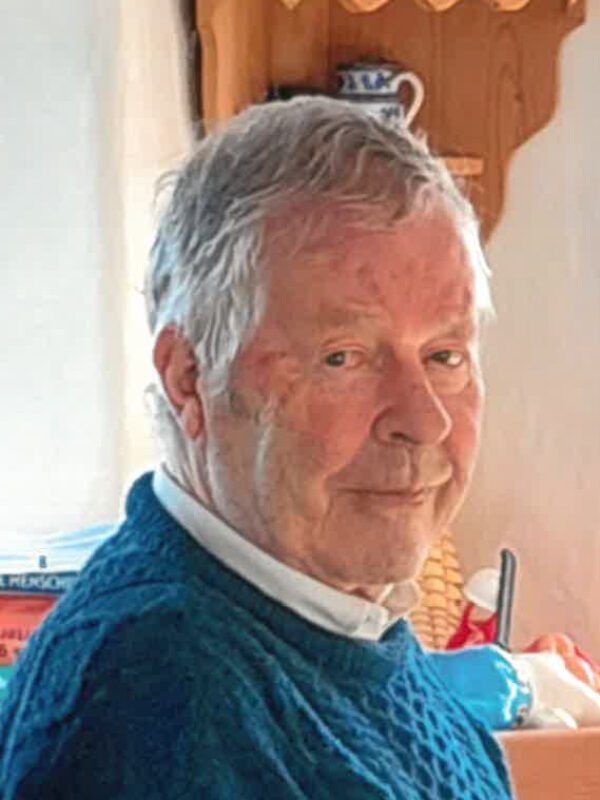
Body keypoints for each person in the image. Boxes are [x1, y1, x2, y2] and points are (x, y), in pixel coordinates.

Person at [0, 97, 513, 798]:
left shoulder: (341, 622)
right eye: (344, 358)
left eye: (445, 356)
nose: (425, 422)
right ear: (190, 378)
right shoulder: (160, 696)